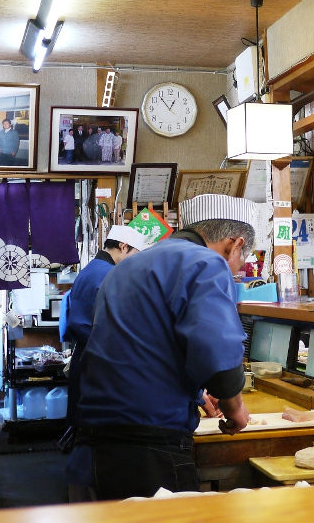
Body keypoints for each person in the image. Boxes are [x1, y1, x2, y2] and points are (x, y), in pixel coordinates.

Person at [73, 194, 255, 499]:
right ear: (233, 244)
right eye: (241, 261)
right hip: (150, 440)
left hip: (100, 437)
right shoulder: (207, 263)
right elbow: (217, 349)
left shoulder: (130, 265)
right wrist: (234, 406)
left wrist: (198, 393)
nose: (236, 271)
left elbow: (147, 344)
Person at [61, 225, 147, 501]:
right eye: (134, 253)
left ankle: (80, 495)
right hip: (95, 361)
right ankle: (86, 503)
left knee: (84, 430)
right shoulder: (106, 273)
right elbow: (84, 324)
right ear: (122, 247)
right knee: (90, 435)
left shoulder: (93, 270)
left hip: (87, 358)